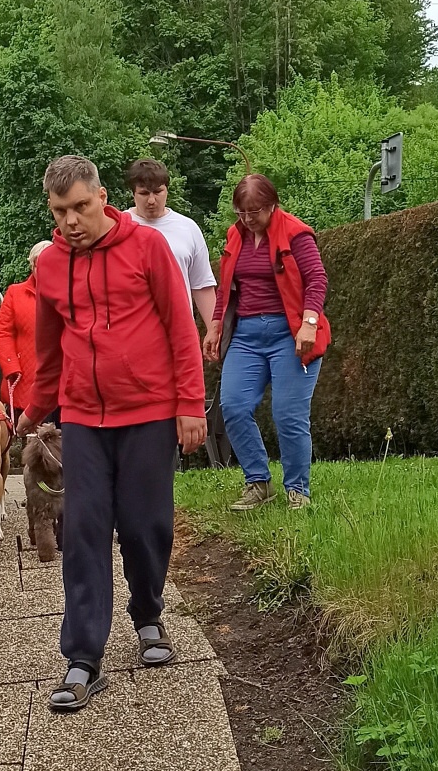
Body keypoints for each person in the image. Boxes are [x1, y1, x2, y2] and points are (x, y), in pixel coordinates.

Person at [16, 155, 207, 713]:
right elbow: (49, 352)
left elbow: (181, 328)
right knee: (83, 529)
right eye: (60, 211)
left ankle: (147, 615)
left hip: (148, 412)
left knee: (146, 525)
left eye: (80, 206)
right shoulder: (51, 266)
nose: (71, 220)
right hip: (82, 418)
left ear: (102, 197)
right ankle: (83, 658)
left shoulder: (148, 248)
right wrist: (33, 411)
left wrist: (189, 404)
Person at [203, 174, 330, 511]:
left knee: (288, 414)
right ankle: (258, 482)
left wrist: (309, 324)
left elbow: (317, 279)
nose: (247, 219)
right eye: (241, 212)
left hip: (290, 334)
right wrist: (215, 326)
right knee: (233, 406)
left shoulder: (296, 233)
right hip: (246, 336)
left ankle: (297, 490)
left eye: (254, 211)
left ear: (272, 205)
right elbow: (226, 288)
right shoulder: (235, 235)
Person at [126, 158, 217, 333]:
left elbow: (202, 284)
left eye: (157, 192)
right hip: (133, 333)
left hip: (179, 331)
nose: (151, 200)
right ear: (133, 193)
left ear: (167, 190)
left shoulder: (188, 228)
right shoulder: (119, 227)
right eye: (144, 193)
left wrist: (214, 330)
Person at [0, 240, 52, 423]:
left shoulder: (70, 292)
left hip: (60, 383)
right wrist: (11, 367)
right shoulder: (15, 293)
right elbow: (3, 333)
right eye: (39, 264)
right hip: (23, 380)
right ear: (32, 265)